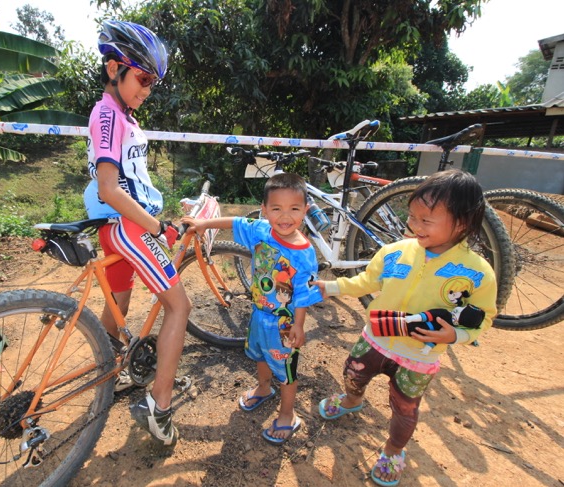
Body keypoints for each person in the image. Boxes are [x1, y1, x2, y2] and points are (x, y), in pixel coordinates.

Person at [314, 169, 497, 486]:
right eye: (412, 217)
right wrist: (329, 288)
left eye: (427, 220)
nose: (414, 226)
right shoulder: (394, 252)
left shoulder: (477, 273)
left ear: (463, 223)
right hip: (375, 338)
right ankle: (352, 400)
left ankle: (393, 450)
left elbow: (484, 316)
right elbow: (365, 283)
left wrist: (456, 335)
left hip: (419, 357)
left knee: (404, 408)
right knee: (353, 373)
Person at [84, 19, 189, 446]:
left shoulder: (120, 115)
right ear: (114, 69)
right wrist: (158, 227)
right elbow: (110, 189)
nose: (147, 89)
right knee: (179, 308)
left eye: (152, 83)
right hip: (128, 228)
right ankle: (159, 405)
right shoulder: (107, 113)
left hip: (121, 230)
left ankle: (107, 380)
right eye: (143, 78)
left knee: (118, 311)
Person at [182, 173, 323, 444]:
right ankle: (263, 388)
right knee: (259, 355)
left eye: (294, 209)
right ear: (264, 210)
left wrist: (299, 325)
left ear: (305, 210)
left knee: (287, 370)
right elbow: (234, 221)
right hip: (259, 314)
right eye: (277, 209)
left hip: (284, 323)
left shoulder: (304, 254)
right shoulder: (261, 230)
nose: (285, 216)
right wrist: (203, 223)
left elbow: (304, 295)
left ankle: (287, 415)